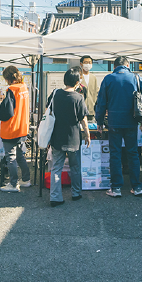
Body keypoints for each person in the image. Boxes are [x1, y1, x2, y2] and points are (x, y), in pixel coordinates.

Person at [95, 56, 142, 197]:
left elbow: (101, 102)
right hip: (132, 121)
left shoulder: (108, 79)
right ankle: (136, 187)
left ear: (114, 66)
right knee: (133, 154)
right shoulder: (136, 78)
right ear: (128, 65)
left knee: (115, 154)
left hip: (114, 121)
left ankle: (116, 188)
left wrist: (99, 121)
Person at [48, 66, 89, 207]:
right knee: (75, 167)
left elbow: (49, 112)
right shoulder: (78, 97)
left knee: (56, 167)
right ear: (77, 82)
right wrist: (87, 134)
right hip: (73, 138)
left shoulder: (55, 94)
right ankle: (76, 193)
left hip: (57, 136)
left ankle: (55, 197)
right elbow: (83, 118)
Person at [0, 66, 32, 192]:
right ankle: (26, 179)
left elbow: (6, 112)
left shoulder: (11, 90)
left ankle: (13, 184)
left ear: (8, 78)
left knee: (10, 157)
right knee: (20, 156)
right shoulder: (24, 87)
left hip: (11, 128)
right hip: (22, 127)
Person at [77, 55, 100, 121]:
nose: (88, 64)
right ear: (81, 64)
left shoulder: (93, 77)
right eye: (86, 62)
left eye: (90, 62)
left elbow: (96, 92)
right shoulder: (78, 77)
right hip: (80, 110)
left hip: (91, 111)